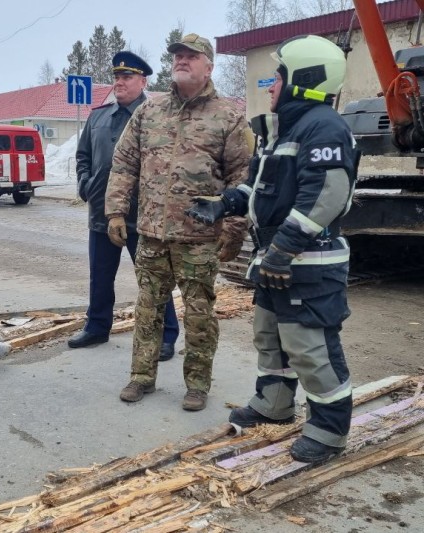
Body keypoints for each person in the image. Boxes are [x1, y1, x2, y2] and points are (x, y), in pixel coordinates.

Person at [186, 35, 357, 463]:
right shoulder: (287, 128)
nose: (270, 85)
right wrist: (224, 202)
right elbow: (262, 185)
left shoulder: (324, 127)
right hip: (277, 259)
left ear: (304, 78)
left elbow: (327, 195)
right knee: (271, 338)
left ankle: (328, 432)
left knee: (310, 347)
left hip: (307, 260)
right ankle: (275, 406)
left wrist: (283, 248)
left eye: (276, 76)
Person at [106, 33, 251, 410]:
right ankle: (141, 376)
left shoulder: (229, 116)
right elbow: (124, 163)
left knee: (200, 314)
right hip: (152, 233)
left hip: (199, 237)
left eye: (192, 56)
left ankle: (198, 383)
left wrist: (234, 229)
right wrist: (116, 211)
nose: (182, 60)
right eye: (178, 55)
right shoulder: (149, 112)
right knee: (147, 309)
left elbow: (243, 179)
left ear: (209, 67)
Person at [69, 51, 179, 360]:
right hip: (102, 214)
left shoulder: (157, 115)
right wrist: (85, 183)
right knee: (100, 275)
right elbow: (83, 157)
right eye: (117, 77)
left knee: (154, 278)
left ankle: (166, 335)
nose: (120, 82)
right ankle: (97, 327)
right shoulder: (98, 116)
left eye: (127, 77)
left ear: (143, 81)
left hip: (142, 216)